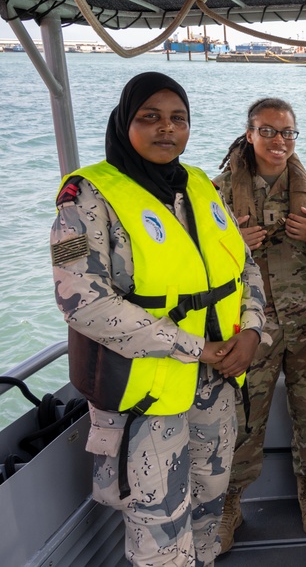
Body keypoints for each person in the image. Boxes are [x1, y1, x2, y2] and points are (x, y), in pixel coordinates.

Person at [50, 72, 266, 566]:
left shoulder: (201, 187)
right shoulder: (86, 198)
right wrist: (195, 348)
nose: (166, 129)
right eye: (150, 117)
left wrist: (252, 330)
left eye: (178, 119)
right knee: (159, 533)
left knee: (210, 507)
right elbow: (82, 302)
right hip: (144, 398)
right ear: (126, 122)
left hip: (216, 384)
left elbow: (244, 268)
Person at [214, 98, 306, 551]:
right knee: (243, 416)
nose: (279, 141)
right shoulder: (217, 193)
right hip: (250, 324)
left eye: (287, 132)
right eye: (268, 131)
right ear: (249, 134)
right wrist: (231, 248)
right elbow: (194, 263)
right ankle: (231, 502)